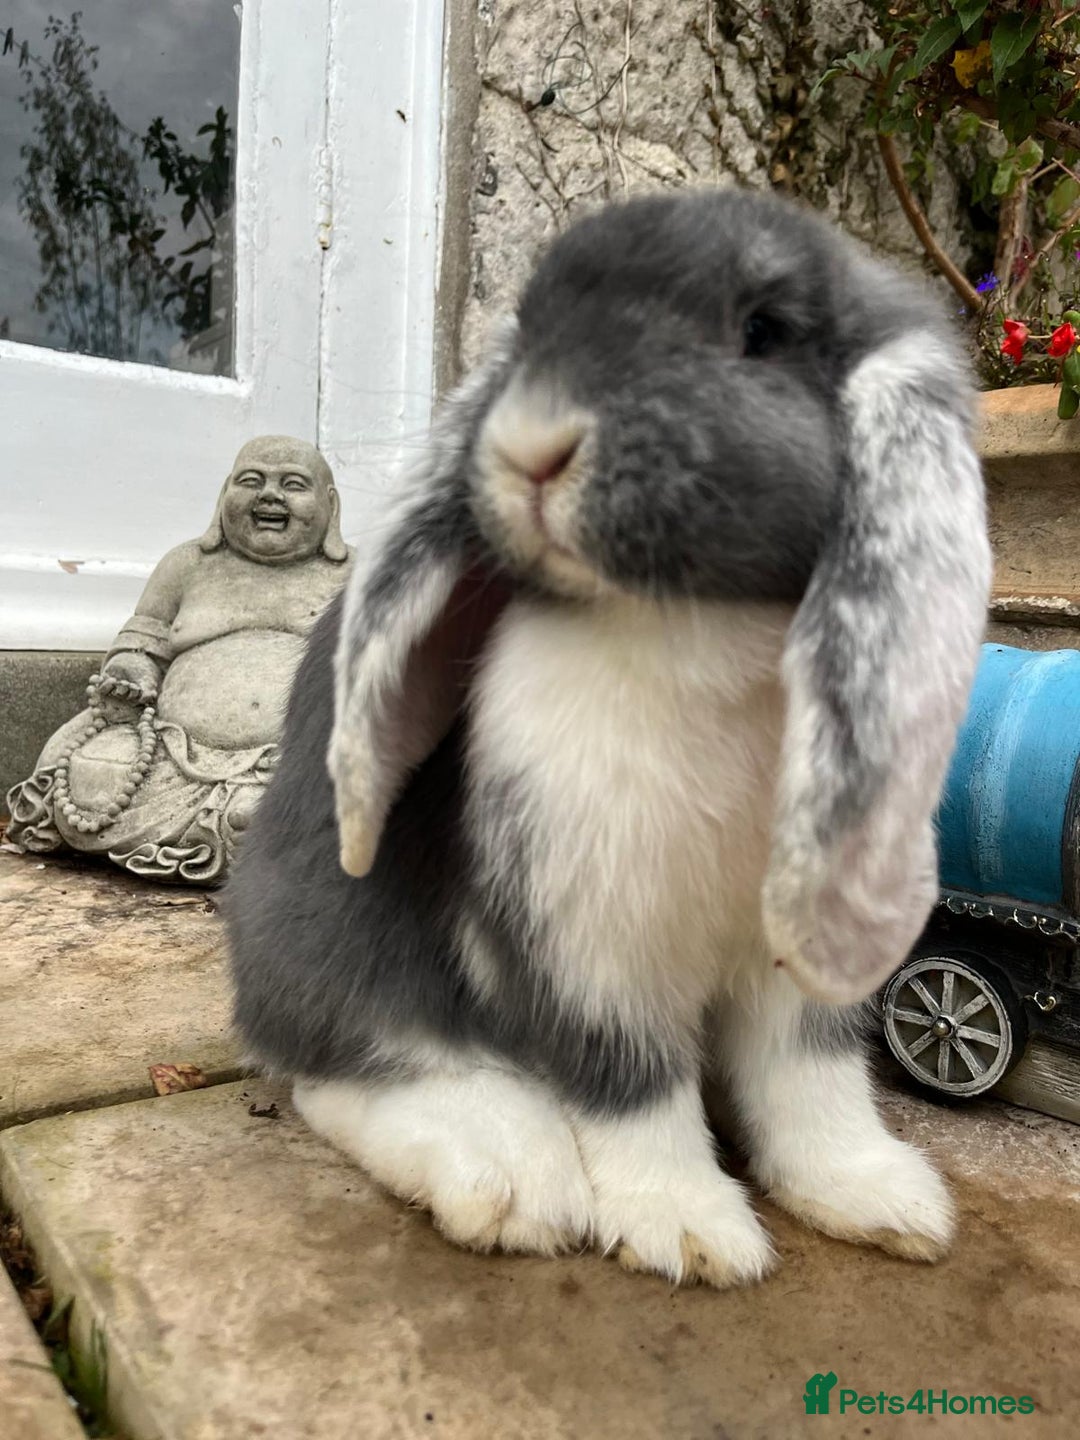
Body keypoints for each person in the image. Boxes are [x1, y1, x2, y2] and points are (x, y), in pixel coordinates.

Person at [7, 436, 352, 881]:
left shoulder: (356, 576)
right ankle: (235, 829)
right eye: (251, 481)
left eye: (293, 484)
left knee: (316, 795)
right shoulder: (187, 565)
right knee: (87, 782)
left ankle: (247, 821)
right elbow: (141, 640)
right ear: (224, 494)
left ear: (331, 506)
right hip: (170, 751)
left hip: (294, 756)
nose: (270, 495)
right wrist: (128, 674)